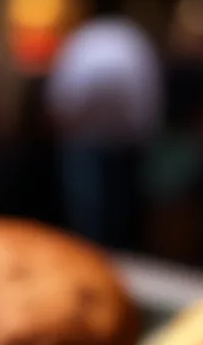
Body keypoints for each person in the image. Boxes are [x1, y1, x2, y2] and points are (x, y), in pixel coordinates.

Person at [46, 16, 163, 249]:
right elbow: (148, 100)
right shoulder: (127, 41)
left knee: (91, 212)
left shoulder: (85, 42)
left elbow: (64, 100)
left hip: (97, 144)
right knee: (115, 214)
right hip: (115, 144)